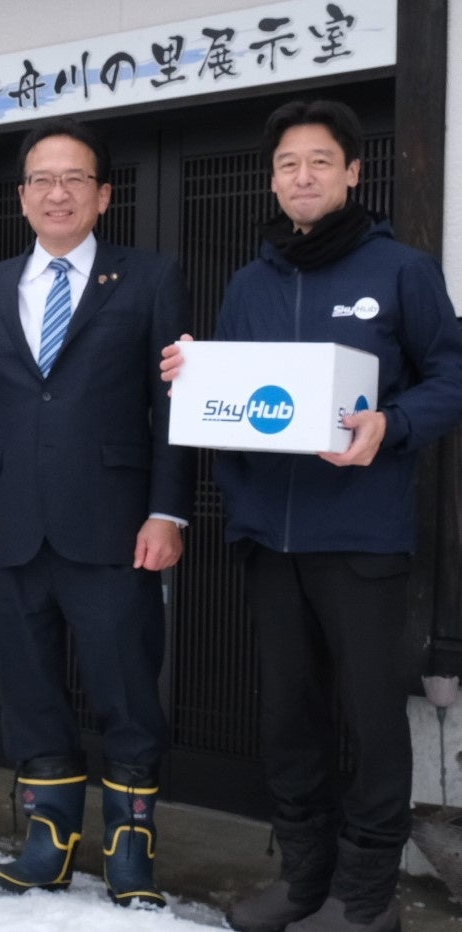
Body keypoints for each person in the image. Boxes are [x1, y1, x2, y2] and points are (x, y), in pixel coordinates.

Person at [161, 100, 462, 932]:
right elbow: (229, 398)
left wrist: (391, 424)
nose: (303, 176)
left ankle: (365, 900)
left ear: (353, 172)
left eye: (321, 161)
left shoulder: (401, 271)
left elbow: (450, 377)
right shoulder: (250, 282)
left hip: (362, 539)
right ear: (272, 178)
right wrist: (193, 377)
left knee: (371, 718)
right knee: (288, 717)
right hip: (269, 539)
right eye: (288, 163)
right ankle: (303, 880)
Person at [0, 116, 195, 908]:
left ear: (104, 195)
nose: (58, 193)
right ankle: (47, 840)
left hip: (117, 524)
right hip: (7, 524)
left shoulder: (149, 278)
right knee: (28, 688)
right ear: (22, 196)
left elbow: (173, 408)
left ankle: (129, 848)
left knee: (127, 686)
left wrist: (168, 513)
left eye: (75, 178)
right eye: (43, 180)